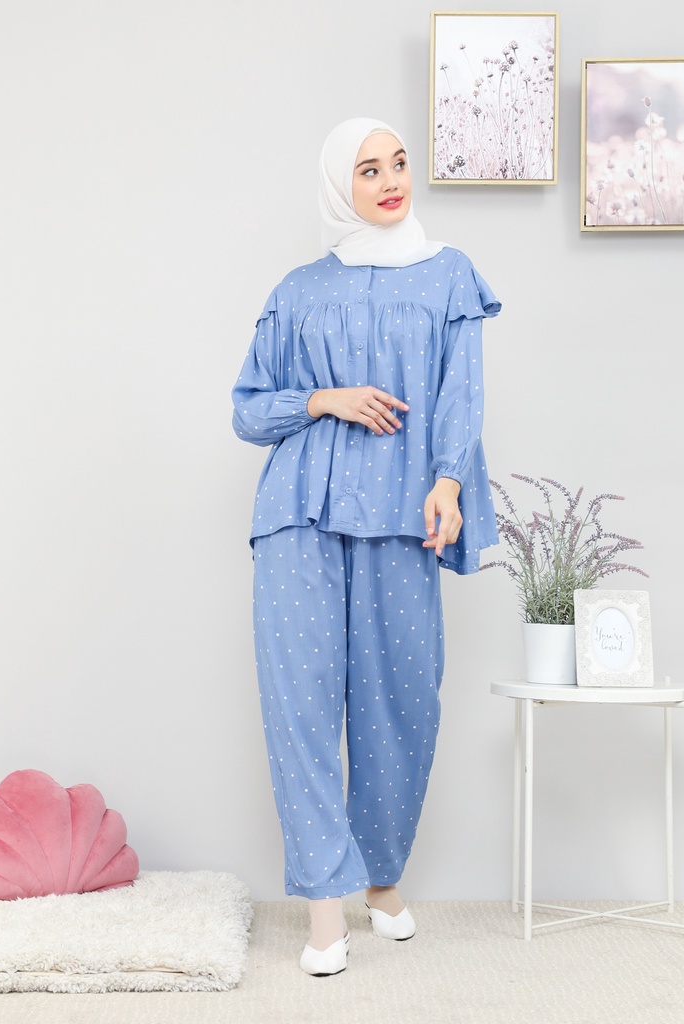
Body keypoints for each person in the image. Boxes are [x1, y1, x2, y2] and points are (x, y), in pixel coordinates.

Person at [231, 117, 501, 976]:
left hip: (400, 513)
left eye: (398, 164)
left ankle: (381, 881)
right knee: (301, 709)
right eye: (368, 170)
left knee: (401, 704)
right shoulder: (298, 290)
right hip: (299, 515)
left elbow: (461, 392)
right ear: (338, 186)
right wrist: (323, 399)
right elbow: (248, 409)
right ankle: (325, 907)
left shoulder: (449, 274)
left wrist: (450, 480)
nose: (389, 182)